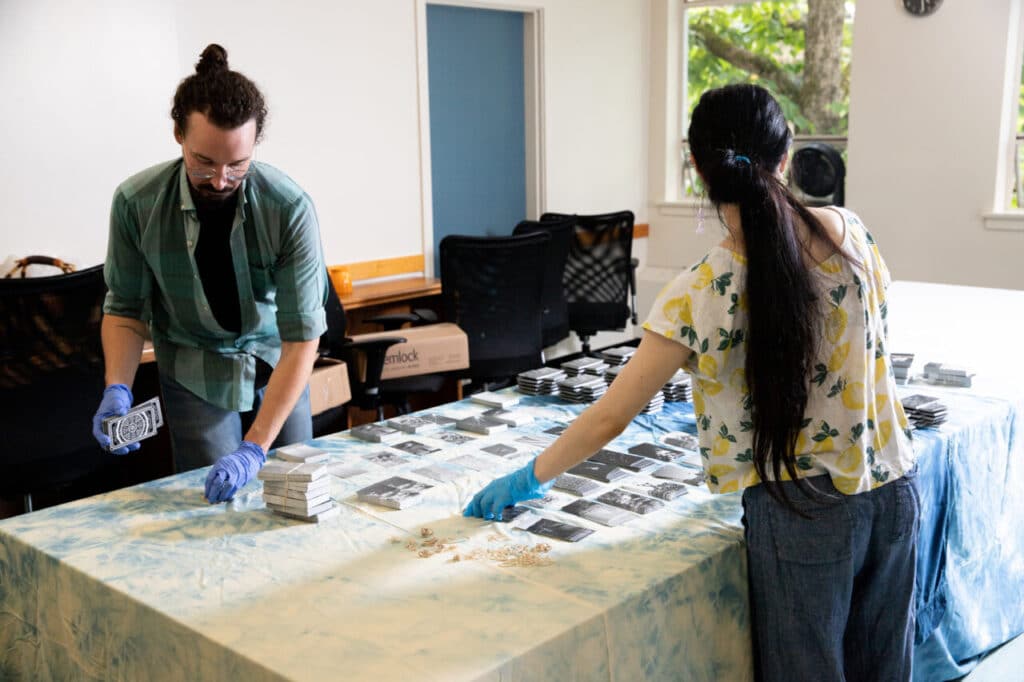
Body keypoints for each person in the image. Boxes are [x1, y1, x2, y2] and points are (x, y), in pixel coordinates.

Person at [465, 84, 919, 681]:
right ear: (784, 158)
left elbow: (610, 416)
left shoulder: (703, 289)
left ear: (697, 168)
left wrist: (529, 476)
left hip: (802, 514)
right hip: (894, 485)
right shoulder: (848, 232)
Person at [92, 44, 328, 505]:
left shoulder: (289, 208)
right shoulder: (136, 204)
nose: (220, 180)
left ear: (255, 144)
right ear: (178, 133)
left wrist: (255, 448)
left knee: (296, 492)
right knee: (214, 507)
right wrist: (117, 387)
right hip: (193, 362)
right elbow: (124, 309)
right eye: (204, 162)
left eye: (236, 166)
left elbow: (302, 338)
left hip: (274, 358)